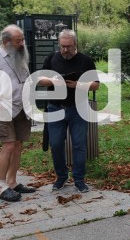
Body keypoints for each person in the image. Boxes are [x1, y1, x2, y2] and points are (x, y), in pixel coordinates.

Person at [0, 25, 37, 202]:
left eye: (22, 40)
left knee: (18, 145)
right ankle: (2, 186)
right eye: (18, 40)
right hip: (3, 109)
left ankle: (12, 182)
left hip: (21, 108)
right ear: (6, 41)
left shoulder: (19, 56)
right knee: (9, 145)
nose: (22, 43)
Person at [38, 30, 99, 193]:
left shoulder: (85, 60)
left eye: (69, 47)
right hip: (55, 108)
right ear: (59, 44)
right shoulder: (51, 58)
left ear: (75, 44)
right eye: (63, 46)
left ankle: (79, 179)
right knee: (56, 144)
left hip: (78, 108)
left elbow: (95, 85)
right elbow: (41, 80)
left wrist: (78, 84)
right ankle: (61, 176)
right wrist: (54, 81)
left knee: (79, 145)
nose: (65, 50)